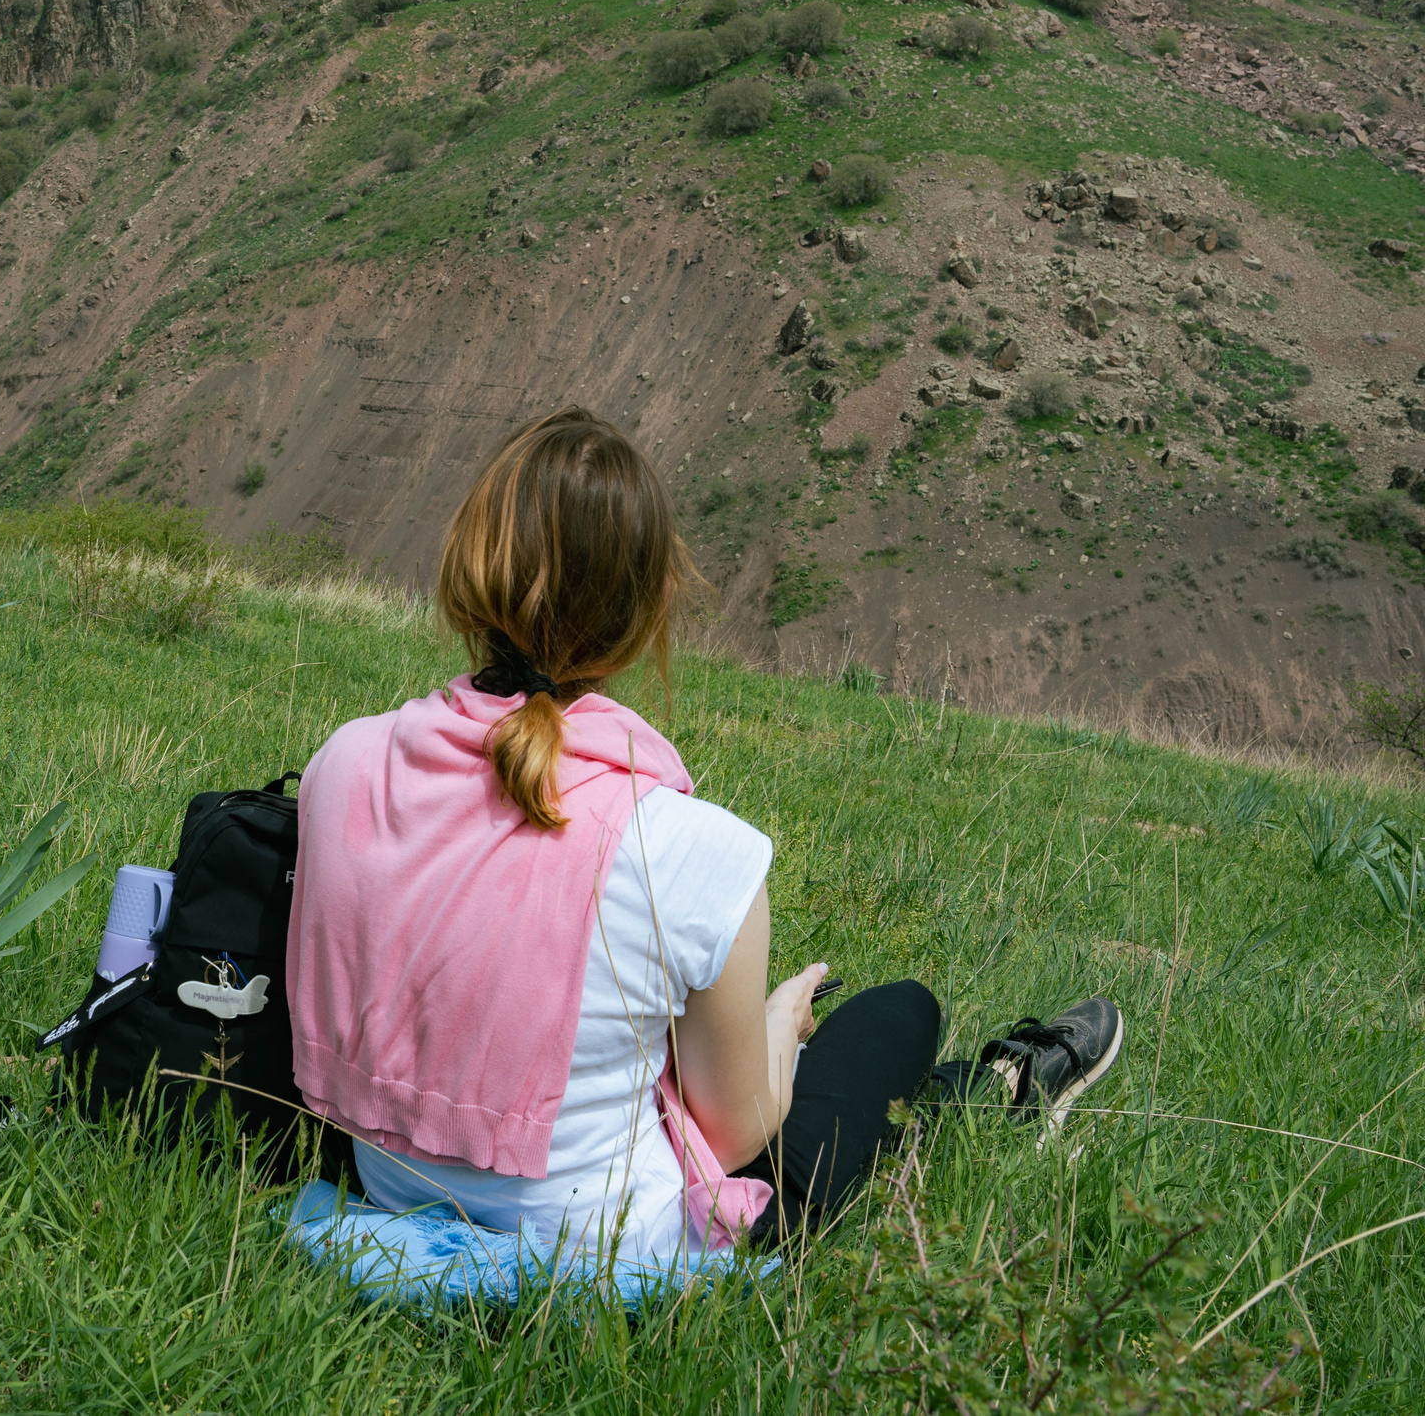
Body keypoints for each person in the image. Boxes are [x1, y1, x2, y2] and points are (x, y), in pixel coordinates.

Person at [284, 407, 1121, 1260]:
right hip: (613, 1244)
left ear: (467, 566)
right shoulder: (688, 847)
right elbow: (732, 1135)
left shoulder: (343, 765)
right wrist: (775, 1030)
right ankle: (996, 1088)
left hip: (388, 1187)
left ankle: (978, 1090)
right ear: (644, 614)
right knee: (899, 1014)